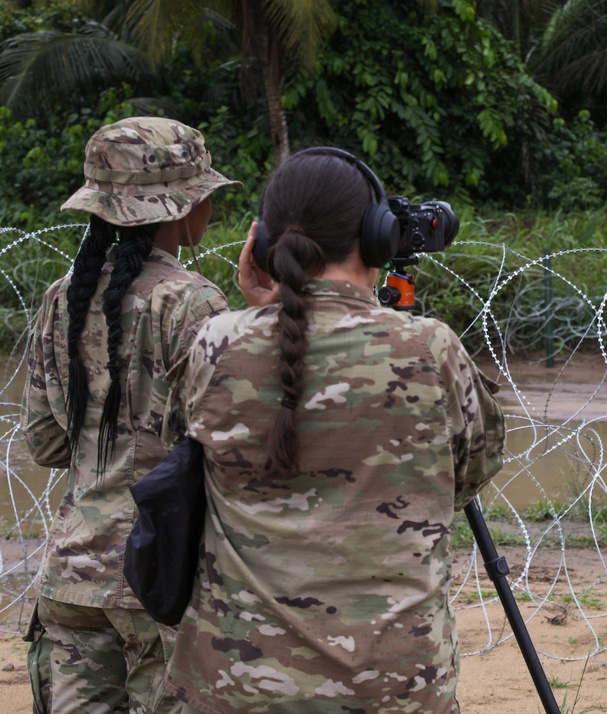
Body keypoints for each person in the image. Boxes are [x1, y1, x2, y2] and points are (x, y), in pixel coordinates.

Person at [159, 147, 507, 713]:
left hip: (237, 686)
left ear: (265, 244)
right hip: (393, 688)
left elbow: (189, 462)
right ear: (378, 237)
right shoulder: (430, 348)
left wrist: (255, 312)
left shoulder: (215, 343)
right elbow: (469, 472)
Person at [19, 116, 241, 713]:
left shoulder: (61, 296)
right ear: (179, 208)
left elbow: (45, 443)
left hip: (71, 578)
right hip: (161, 575)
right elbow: (225, 449)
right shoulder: (195, 303)